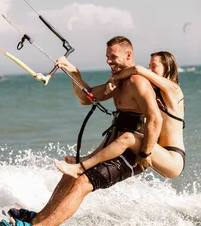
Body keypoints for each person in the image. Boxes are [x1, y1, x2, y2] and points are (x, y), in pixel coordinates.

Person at [9, 36, 163, 226]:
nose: (109, 61)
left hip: (133, 153)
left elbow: (155, 119)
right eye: (107, 57)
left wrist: (145, 153)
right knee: (71, 174)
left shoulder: (137, 82)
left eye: (113, 57)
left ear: (129, 55)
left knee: (83, 182)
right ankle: (37, 221)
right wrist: (74, 74)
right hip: (114, 147)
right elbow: (86, 98)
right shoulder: (118, 81)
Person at [54, 51, 185, 179]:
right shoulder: (154, 93)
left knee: (129, 137)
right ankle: (88, 158)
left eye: (154, 66)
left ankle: (80, 168)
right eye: (149, 66)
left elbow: (138, 69)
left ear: (167, 69)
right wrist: (76, 73)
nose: (149, 70)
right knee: (119, 125)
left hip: (173, 158)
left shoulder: (174, 90)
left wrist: (115, 78)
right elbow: (88, 97)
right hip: (158, 152)